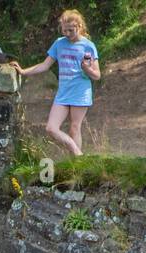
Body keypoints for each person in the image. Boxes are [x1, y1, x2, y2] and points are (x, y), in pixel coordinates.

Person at [15, 9, 100, 156]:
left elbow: (97, 75)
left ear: (79, 26)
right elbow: (44, 65)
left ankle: (76, 164)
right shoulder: (59, 44)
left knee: (74, 127)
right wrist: (23, 71)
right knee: (51, 128)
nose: (67, 34)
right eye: (64, 30)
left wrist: (86, 68)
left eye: (71, 30)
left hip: (80, 91)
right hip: (63, 92)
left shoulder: (88, 46)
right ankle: (78, 154)